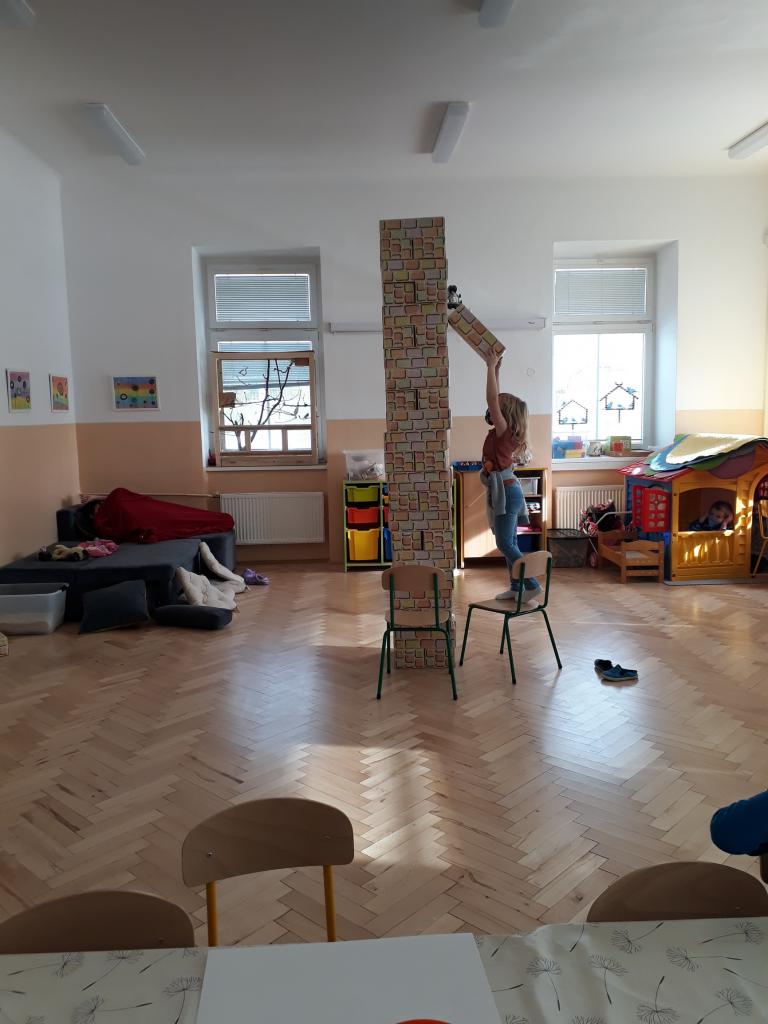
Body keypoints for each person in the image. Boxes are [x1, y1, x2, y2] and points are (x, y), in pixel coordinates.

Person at [479, 349, 541, 604]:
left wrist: (489, 366)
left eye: (496, 406)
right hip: (506, 490)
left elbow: (492, 399)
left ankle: (531, 584)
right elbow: (495, 399)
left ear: (503, 413)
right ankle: (516, 588)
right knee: (509, 541)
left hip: (506, 493)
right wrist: (496, 370)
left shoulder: (504, 432)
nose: (491, 407)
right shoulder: (503, 432)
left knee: (505, 544)